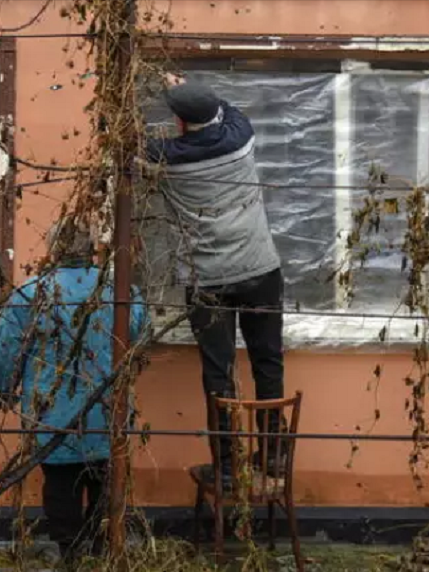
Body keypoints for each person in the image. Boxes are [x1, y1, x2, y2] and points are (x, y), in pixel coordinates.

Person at [144, 73, 285, 489]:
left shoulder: (166, 157)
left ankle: (225, 469)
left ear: (180, 122)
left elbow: (127, 149)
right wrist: (187, 87)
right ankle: (274, 454)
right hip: (260, 270)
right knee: (267, 361)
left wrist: (172, 92)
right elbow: (230, 110)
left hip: (208, 281)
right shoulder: (241, 138)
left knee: (218, 372)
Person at [0, 216, 148, 569]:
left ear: (53, 249)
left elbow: (4, 352)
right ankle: (99, 551)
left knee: (61, 486)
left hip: (52, 415)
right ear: (93, 248)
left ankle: (70, 553)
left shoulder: (31, 294)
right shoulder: (122, 292)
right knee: (105, 484)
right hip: (109, 412)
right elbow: (138, 338)